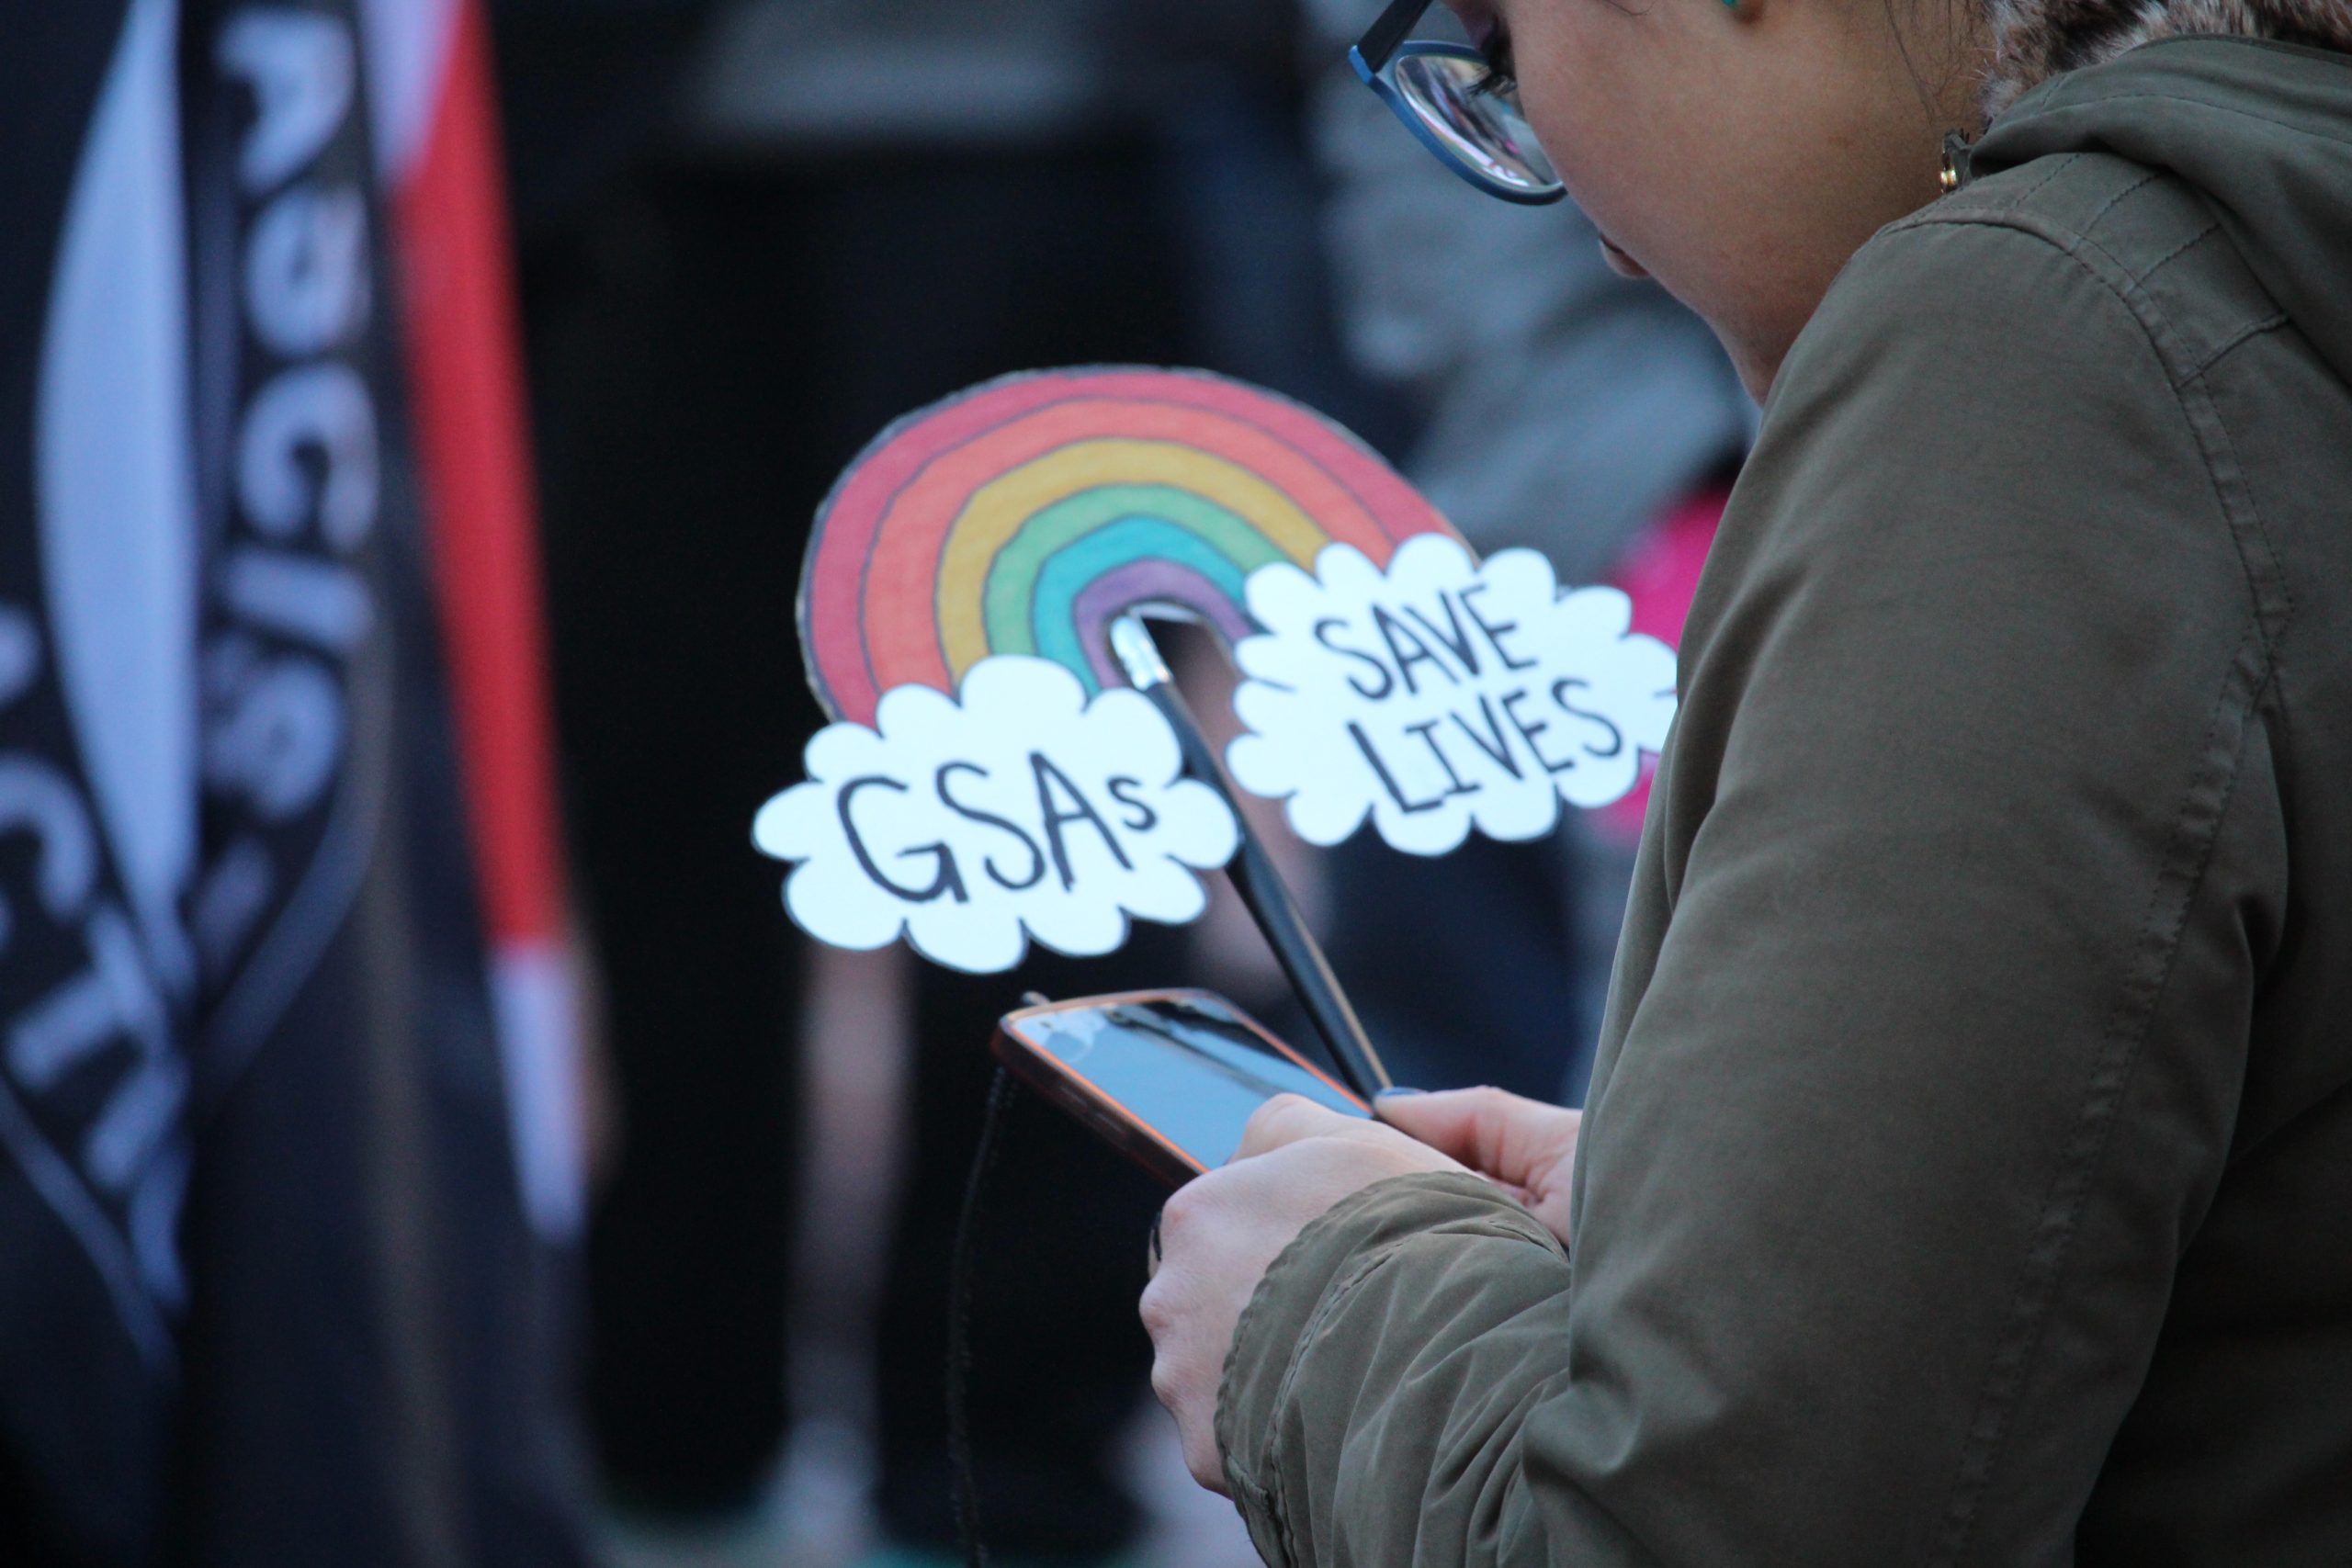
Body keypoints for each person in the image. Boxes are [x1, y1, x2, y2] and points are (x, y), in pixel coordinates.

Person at [1141, 0, 2352, 1560]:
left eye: (1504, 52)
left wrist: (1319, 1306)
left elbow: (1712, 1531)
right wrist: (1731, 1194)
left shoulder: (2042, 339)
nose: (1602, 241)